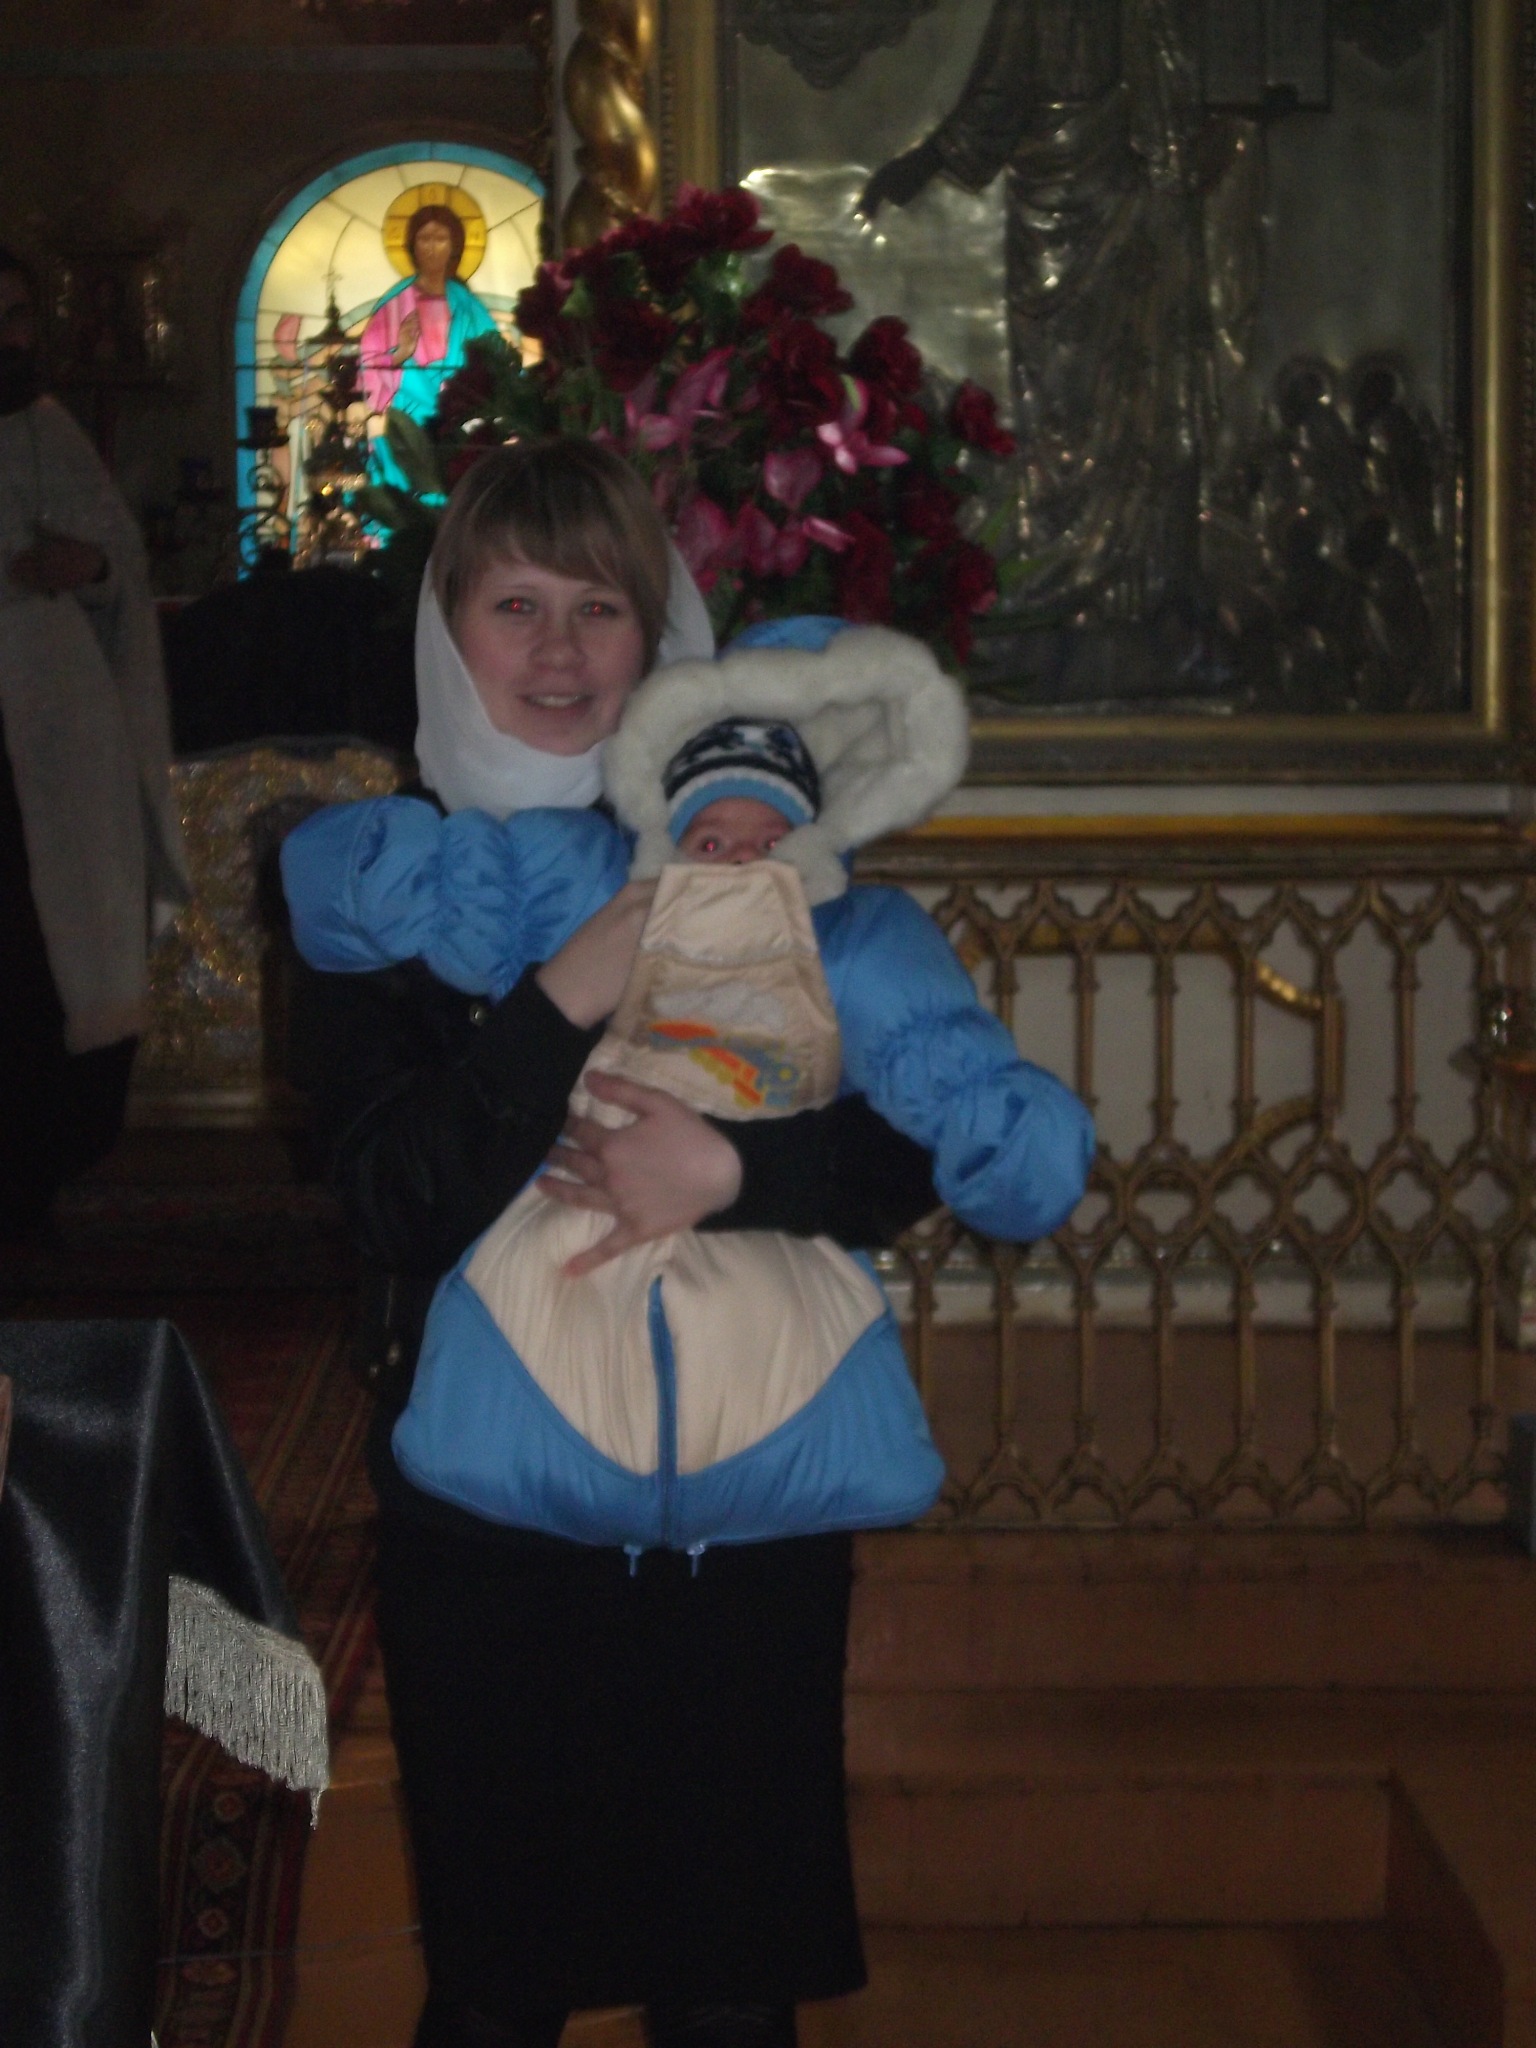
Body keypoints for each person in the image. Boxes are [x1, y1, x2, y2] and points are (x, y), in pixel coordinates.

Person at [287, 439, 956, 2048]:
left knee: (730, 1985)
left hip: (748, 1500)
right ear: (449, 628)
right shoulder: (380, 880)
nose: (561, 651)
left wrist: (734, 1171)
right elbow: (390, 1198)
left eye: (602, 607)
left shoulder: (757, 847)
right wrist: (565, 992)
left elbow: (908, 1147)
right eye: (515, 605)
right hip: (490, 1520)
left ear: (664, 639)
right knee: (500, 1987)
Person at [284, 635, 1095, 1560]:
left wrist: (745, 1169)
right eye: (711, 840)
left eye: (770, 842)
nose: (739, 862)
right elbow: (396, 891)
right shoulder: (589, 890)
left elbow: (949, 1082)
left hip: (774, 1366)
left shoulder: (848, 946)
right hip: (542, 1336)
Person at [0, 246, 186, 1240]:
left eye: (19, 315)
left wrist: (91, 567)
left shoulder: (51, 431)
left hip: (56, 756)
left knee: (52, 976)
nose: (9, 336)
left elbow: (121, 575)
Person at [359, 203, 499, 494]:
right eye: (424, 239)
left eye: (440, 239)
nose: (432, 248)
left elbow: (496, 360)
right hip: (406, 424)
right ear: (412, 246)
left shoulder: (469, 308)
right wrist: (400, 353)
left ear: (455, 246)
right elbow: (367, 368)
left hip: (462, 424)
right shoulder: (393, 307)